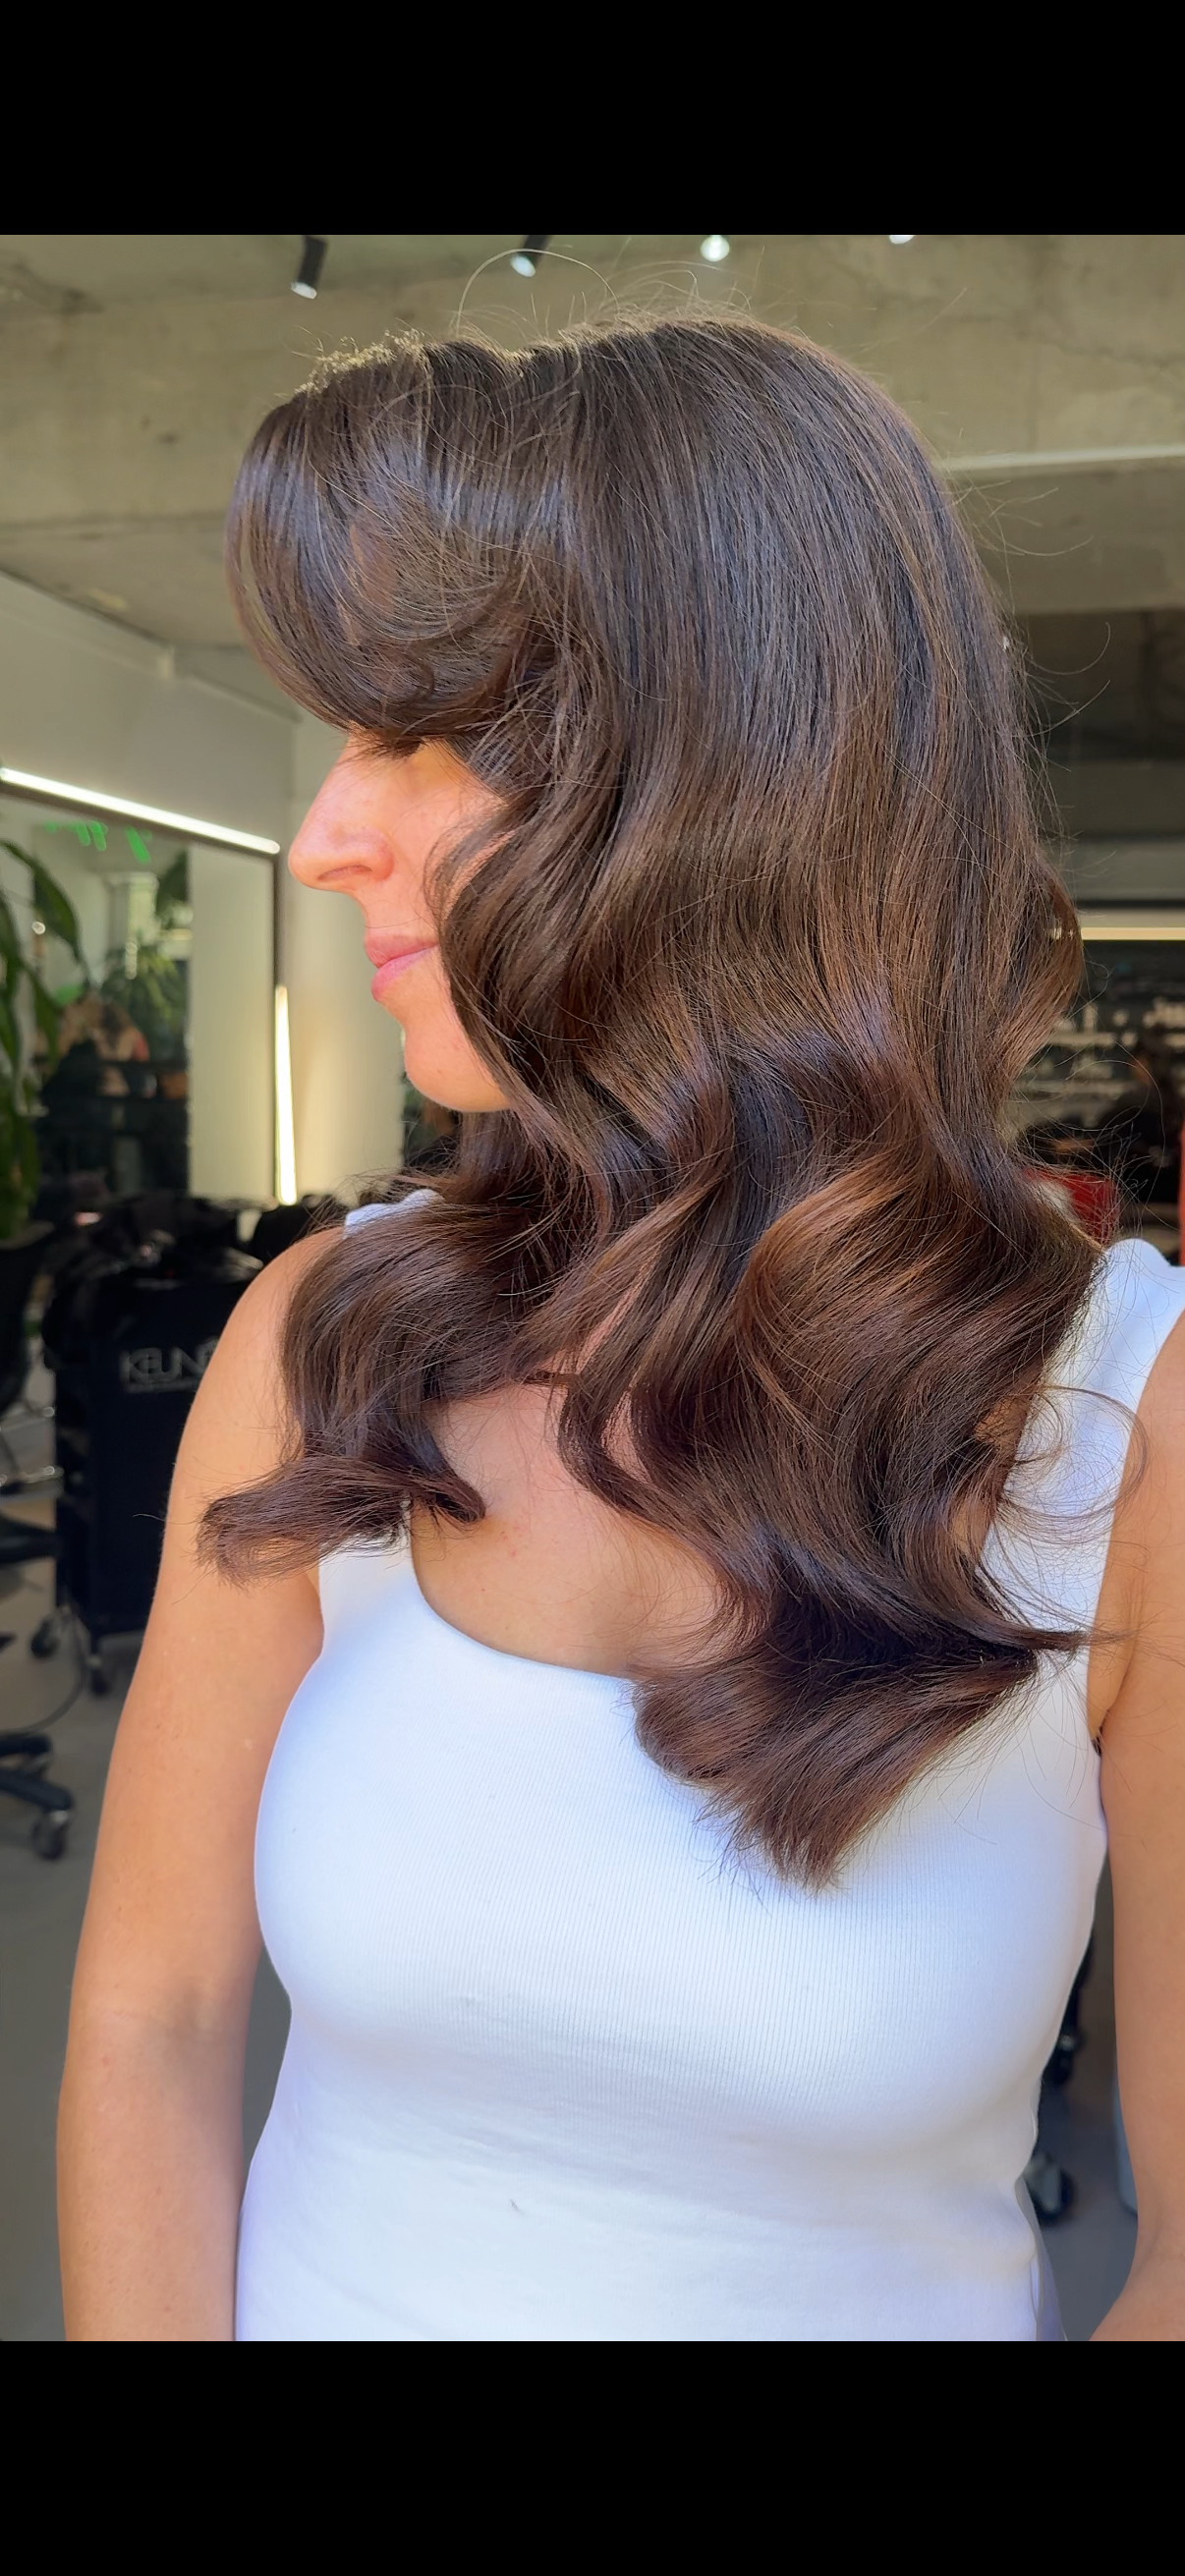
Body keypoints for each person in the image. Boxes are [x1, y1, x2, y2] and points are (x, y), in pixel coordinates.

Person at [58, 319, 1185, 2342]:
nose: (326, 839)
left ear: (717, 772)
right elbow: (149, 2022)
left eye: (414, 740)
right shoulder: (326, 1345)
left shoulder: (1126, 1428)